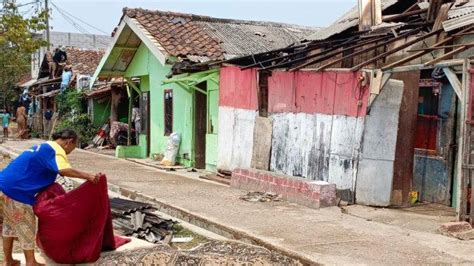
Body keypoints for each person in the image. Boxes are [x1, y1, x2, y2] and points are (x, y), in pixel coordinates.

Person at [0, 129, 102, 266]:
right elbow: (63, 170)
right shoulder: (56, 150)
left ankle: (8, 260)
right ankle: (31, 262)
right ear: (69, 142)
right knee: (26, 225)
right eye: (74, 146)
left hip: (3, 185)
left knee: (9, 224)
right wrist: (88, 176)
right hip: (17, 191)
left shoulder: (44, 146)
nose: (72, 150)